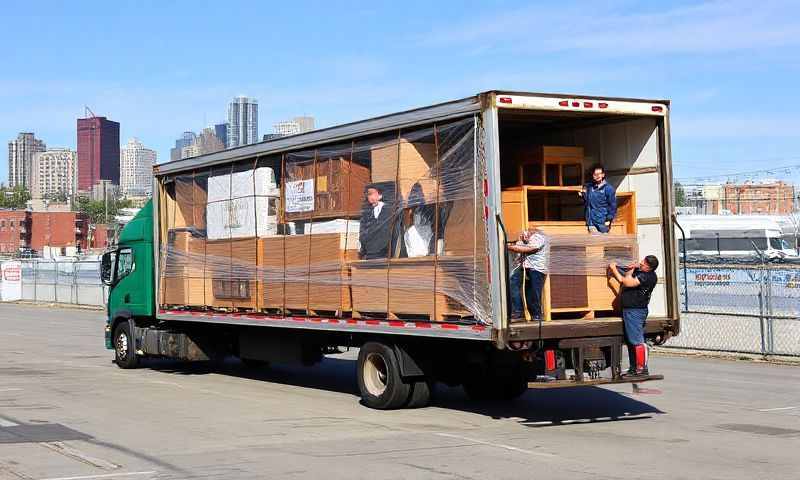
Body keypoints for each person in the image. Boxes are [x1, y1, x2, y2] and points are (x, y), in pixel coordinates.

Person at [609, 255, 659, 377]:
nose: (641, 263)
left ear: (648, 267)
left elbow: (625, 281)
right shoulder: (643, 272)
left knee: (637, 341)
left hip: (635, 311)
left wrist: (613, 268)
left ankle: (641, 369)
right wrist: (633, 267)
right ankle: (634, 368)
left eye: (643, 263)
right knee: (632, 341)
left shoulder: (646, 277)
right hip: (632, 311)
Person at [507, 227, 550, 322]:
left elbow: (530, 249)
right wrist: (520, 242)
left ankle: (536, 314)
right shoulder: (527, 240)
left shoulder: (538, 237)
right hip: (526, 267)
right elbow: (521, 246)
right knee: (516, 285)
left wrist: (510, 247)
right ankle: (519, 312)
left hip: (536, 269)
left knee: (533, 292)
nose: (524, 235)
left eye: (526, 234)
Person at [579, 165, 617, 233]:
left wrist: (609, 219)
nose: (597, 176)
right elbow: (587, 201)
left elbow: (613, 205)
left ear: (603, 175)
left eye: (599, 174)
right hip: (591, 222)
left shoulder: (608, 188)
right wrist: (583, 194)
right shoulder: (590, 187)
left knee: (604, 242)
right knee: (594, 242)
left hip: (603, 222)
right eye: (595, 174)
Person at [359, 185, 393, 260]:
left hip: (384, 252)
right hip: (370, 252)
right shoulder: (367, 212)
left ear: (380, 195)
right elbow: (363, 231)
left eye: (372, 193)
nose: (370, 196)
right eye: (368, 194)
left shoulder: (388, 210)